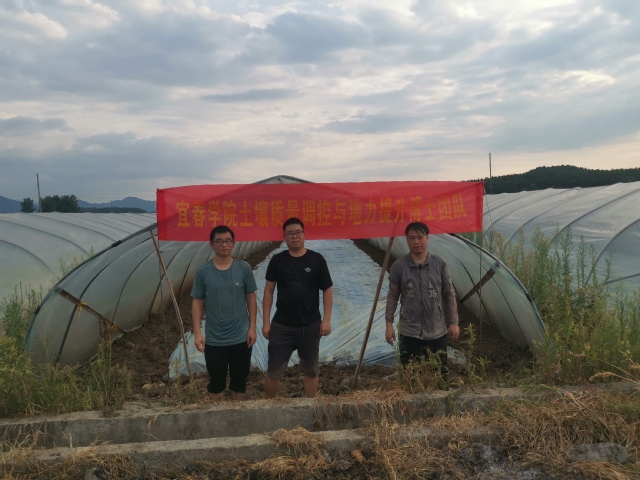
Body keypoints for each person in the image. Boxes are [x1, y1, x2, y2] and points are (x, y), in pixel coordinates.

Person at [262, 217, 333, 398]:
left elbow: (327, 290)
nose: (295, 236)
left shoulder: (316, 259)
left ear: (304, 234)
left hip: (310, 325)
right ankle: (269, 405)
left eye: (298, 232)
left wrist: (326, 320)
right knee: (274, 369)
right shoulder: (277, 260)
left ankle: (311, 406)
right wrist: (266, 323)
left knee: (311, 369)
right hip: (282, 325)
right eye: (290, 233)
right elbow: (268, 291)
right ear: (284, 237)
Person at [192, 225, 257, 401]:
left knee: (239, 381)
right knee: (216, 382)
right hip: (215, 339)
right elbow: (197, 301)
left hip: (241, 337)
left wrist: (252, 327)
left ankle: (237, 413)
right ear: (211, 244)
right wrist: (197, 332)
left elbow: (251, 298)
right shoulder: (203, 272)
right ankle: (215, 415)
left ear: (233, 243)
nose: (224, 245)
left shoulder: (243, 269)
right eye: (219, 241)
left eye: (228, 241)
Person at [385, 221, 459, 375]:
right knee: (409, 374)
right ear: (407, 240)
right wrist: (389, 324)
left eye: (420, 237)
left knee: (439, 374)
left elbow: (449, 294)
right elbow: (392, 296)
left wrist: (453, 322)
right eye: (412, 238)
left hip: (436, 330)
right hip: (409, 331)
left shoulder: (440, 264)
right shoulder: (399, 266)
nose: (416, 242)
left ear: (427, 238)